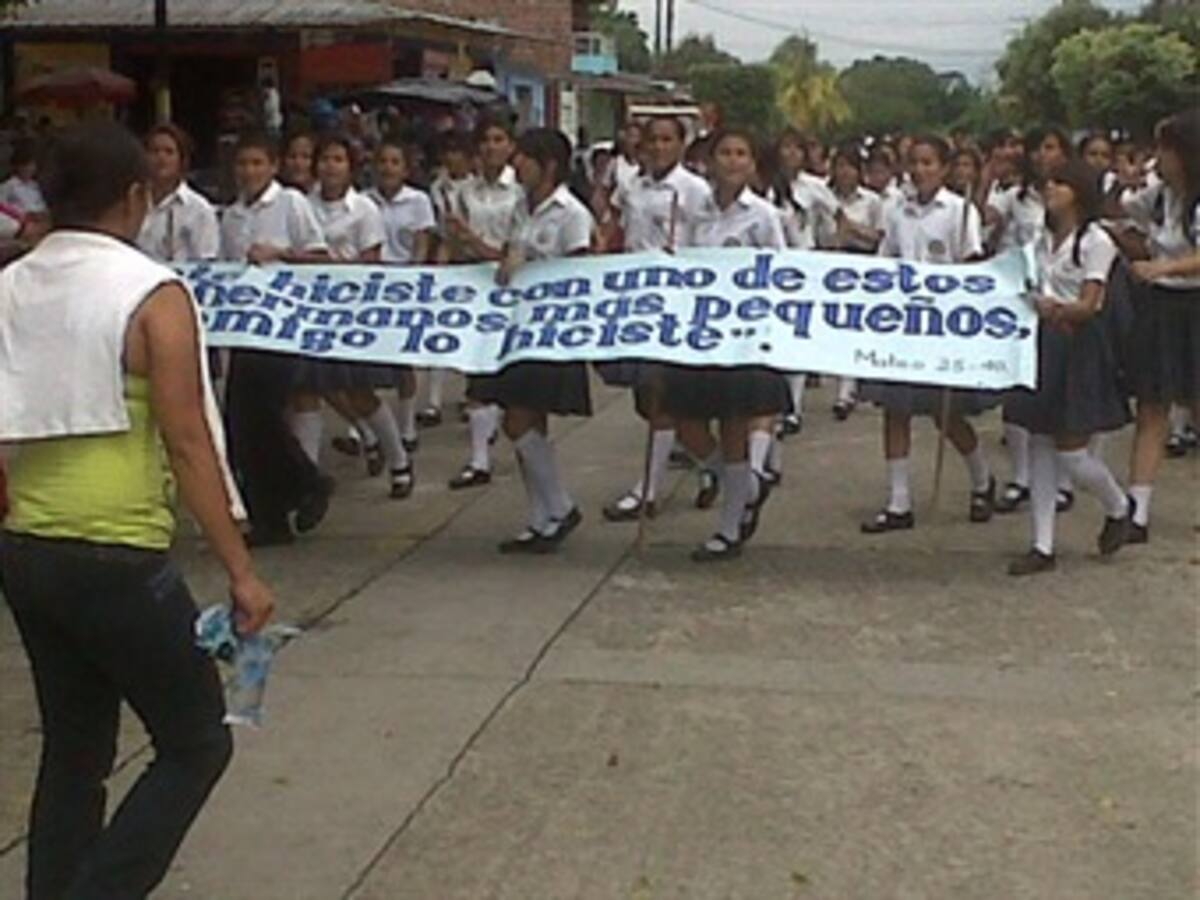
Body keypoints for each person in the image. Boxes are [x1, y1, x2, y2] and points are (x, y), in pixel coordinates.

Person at [0, 120, 274, 900]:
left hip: (27, 547)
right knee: (195, 743)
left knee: (75, 750)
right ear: (133, 197)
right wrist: (241, 571)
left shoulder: (12, 283)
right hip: (117, 551)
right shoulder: (150, 293)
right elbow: (189, 442)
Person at [660, 128, 791, 562]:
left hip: (742, 338)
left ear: (753, 164)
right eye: (724, 153)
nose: (732, 161)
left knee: (735, 427)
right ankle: (748, 485)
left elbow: (782, 273)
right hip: (698, 336)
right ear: (710, 161)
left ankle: (729, 527)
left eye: (741, 153)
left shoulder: (764, 216)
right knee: (686, 424)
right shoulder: (692, 212)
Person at [859, 134, 997, 535]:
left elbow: (972, 265)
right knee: (895, 409)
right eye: (914, 162)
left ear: (944, 167)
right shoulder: (896, 211)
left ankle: (982, 480)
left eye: (928, 162)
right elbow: (885, 261)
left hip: (943, 326)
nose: (920, 170)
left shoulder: (960, 211)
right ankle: (898, 501)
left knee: (946, 413)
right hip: (903, 324)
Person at [1004, 160, 1133, 575]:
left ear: (1079, 191)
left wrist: (1054, 308)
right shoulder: (1042, 237)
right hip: (1042, 342)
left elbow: (1092, 303)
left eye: (1060, 182)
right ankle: (1042, 545)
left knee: (1072, 452)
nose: (1050, 188)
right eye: (1048, 181)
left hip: (1078, 347)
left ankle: (1117, 503)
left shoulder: (1095, 240)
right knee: (1040, 440)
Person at [475, 128, 592, 554]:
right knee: (525, 423)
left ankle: (560, 506)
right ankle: (540, 516)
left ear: (550, 165)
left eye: (525, 157)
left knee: (518, 422)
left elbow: (579, 271)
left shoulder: (571, 214)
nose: (515, 163)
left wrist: (535, 269)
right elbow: (507, 254)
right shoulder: (519, 209)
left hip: (550, 331)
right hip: (515, 328)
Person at [220, 130, 332, 546]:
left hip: (282, 325)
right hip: (244, 326)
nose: (249, 172)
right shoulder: (232, 216)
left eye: (257, 163)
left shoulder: (291, 204)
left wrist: (281, 255)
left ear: (273, 166)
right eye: (242, 164)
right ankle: (269, 515)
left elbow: (321, 257)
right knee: (240, 425)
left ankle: (308, 481)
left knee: (266, 417)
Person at [602, 116, 714, 522]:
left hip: (676, 303)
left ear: (682, 145)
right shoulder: (632, 187)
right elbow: (618, 230)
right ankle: (713, 467)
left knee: (664, 395)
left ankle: (648, 489)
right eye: (653, 140)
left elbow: (707, 246)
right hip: (637, 300)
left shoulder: (695, 191)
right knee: (649, 402)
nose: (659, 147)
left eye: (668, 140)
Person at [307, 132, 415, 500]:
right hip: (312, 310)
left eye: (338, 160)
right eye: (324, 159)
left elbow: (371, 261)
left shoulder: (364, 209)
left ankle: (399, 459)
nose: (330, 167)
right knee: (316, 386)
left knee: (360, 389)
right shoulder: (304, 205)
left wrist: (332, 265)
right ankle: (353, 446)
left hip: (351, 310)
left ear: (351, 168)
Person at [1120, 108, 1200, 543]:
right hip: (1162, 306)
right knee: (1152, 407)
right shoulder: (1158, 196)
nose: (1157, 158)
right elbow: (1128, 215)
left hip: (1193, 305)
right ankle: (1137, 510)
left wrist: (1163, 266)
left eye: (1165, 149)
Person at [437, 118, 525, 490]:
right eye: (485, 140)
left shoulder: (520, 193)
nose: (491, 147)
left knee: (504, 370)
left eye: (498, 138)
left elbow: (513, 248)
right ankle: (479, 458)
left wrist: (473, 240)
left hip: (509, 284)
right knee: (476, 371)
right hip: (475, 285)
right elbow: (453, 242)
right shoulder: (464, 193)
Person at [829, 141, 885, 420]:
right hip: (830, 262)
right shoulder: (824, 197)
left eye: (850, 167)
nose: (845, 172)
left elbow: (880, 237)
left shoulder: (872, 201)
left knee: (852, 326)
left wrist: (851, 228)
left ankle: (847, 390)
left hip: (860, 262)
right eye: (840, 166)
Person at [137, 124, 220, 263]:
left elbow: (206, 260)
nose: (161, 157)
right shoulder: (132, 203)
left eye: (169, 152)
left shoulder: (199, 209)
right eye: (154, 151)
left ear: (182, 160)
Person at [0, 139, 46, 219]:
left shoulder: (35, 186)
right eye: (25, 166)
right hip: (19, 222)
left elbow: (41, 204)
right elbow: (2, 208)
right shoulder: (8, 186)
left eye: (31, 166)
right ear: (17, 167)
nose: (29, 169)